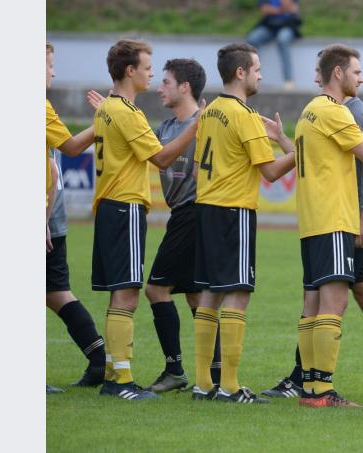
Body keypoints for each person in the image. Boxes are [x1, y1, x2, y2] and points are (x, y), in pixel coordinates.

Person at [263, 51, 363, 399]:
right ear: (338, 72)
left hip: (316, 221)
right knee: (333, 305)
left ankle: (306, 382)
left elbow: (313, 160)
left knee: (319, 302)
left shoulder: (309, 111)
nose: (361, 78)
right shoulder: (338, 111)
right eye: (357, 71)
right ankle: (320, 388)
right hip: (336, 219)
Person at [92, 39, 200, 400]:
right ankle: (120, 382)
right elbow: (163, 159)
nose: (152, 74)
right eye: (147, 66)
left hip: (108, 207)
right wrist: (198, 126)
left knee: (119, 295)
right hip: (125, 207)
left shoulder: (109, 107)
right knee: (127, 296)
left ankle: (116, 373)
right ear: (130, 71)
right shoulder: (127, 112)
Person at [190, 43, 295, 404]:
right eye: (257, 68)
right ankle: (231, 386)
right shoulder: (243, 114)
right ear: (241, 72)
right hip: (234, 210)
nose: (261, 74)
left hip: (205, 207)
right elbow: (270, 172)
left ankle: (203, 383)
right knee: (237, 293)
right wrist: (297, 151)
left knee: (209, 294)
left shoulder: (209, 111)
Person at [135, 58, 224, 394]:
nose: (160, 87)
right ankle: (212, 374)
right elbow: (159, 157)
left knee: (156, 289)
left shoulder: (210, 123)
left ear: (185, 87)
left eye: (167, 82)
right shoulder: (167, 127)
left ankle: (175, 370)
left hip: (195, 212)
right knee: (196, 297)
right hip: (180, 213)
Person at [45, 42, 106, 393]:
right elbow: (67, 150)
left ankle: (100, 360)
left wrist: (103, 121)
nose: (53, 71)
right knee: (56, 292)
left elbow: (66, 149)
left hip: (48, 212)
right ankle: (99, 360)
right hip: (53, 212)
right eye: (48, 64)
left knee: (56, 290)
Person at [245, 0, 302, 91]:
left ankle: (289, 80)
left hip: (287, 26)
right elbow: (265, 10)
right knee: (252, 39)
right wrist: (283, 9)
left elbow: (293, 9)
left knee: (282, 40)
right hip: (269, 26)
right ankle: (253, 78)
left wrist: (276, 9)